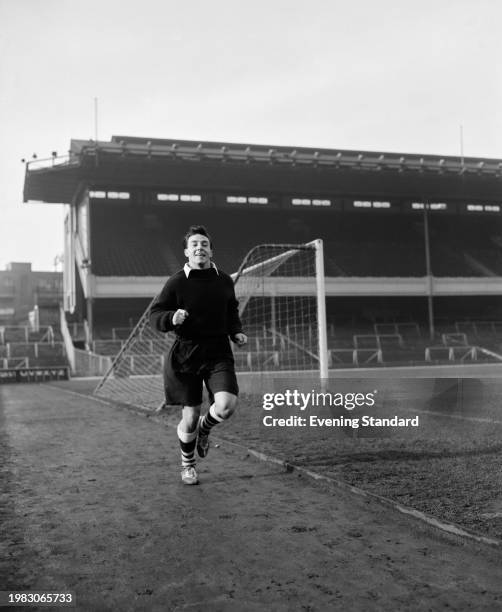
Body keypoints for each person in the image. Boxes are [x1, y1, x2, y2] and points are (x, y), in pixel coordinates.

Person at [149, 225, 247, 485]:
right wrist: (172, 317)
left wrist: (235, 331)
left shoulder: (224, 280)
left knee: (226, 407)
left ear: (211, 250)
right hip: (186, 355)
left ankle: (206, 429)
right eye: (194, 244)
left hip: (218, 353)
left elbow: (231, 310)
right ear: (186, 252)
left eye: (204, 243)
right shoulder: (176, 282)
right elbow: (155, 316)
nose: (199, 247)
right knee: (189, 417)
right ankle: (188, 465)